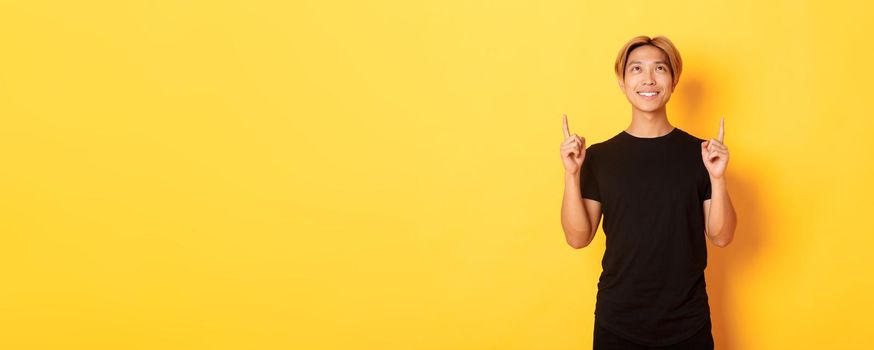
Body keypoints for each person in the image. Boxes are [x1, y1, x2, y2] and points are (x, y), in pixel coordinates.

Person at [559, 35, 737, 349]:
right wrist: (571, 175)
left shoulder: (702, 154)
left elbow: (721, 236)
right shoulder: (599, 158)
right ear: (622, 82)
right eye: (637, 69)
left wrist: (718, 178)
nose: (648, 79)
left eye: (660, 69)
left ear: (674, 81)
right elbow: (578, 238)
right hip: (618, 323)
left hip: (688, 323)